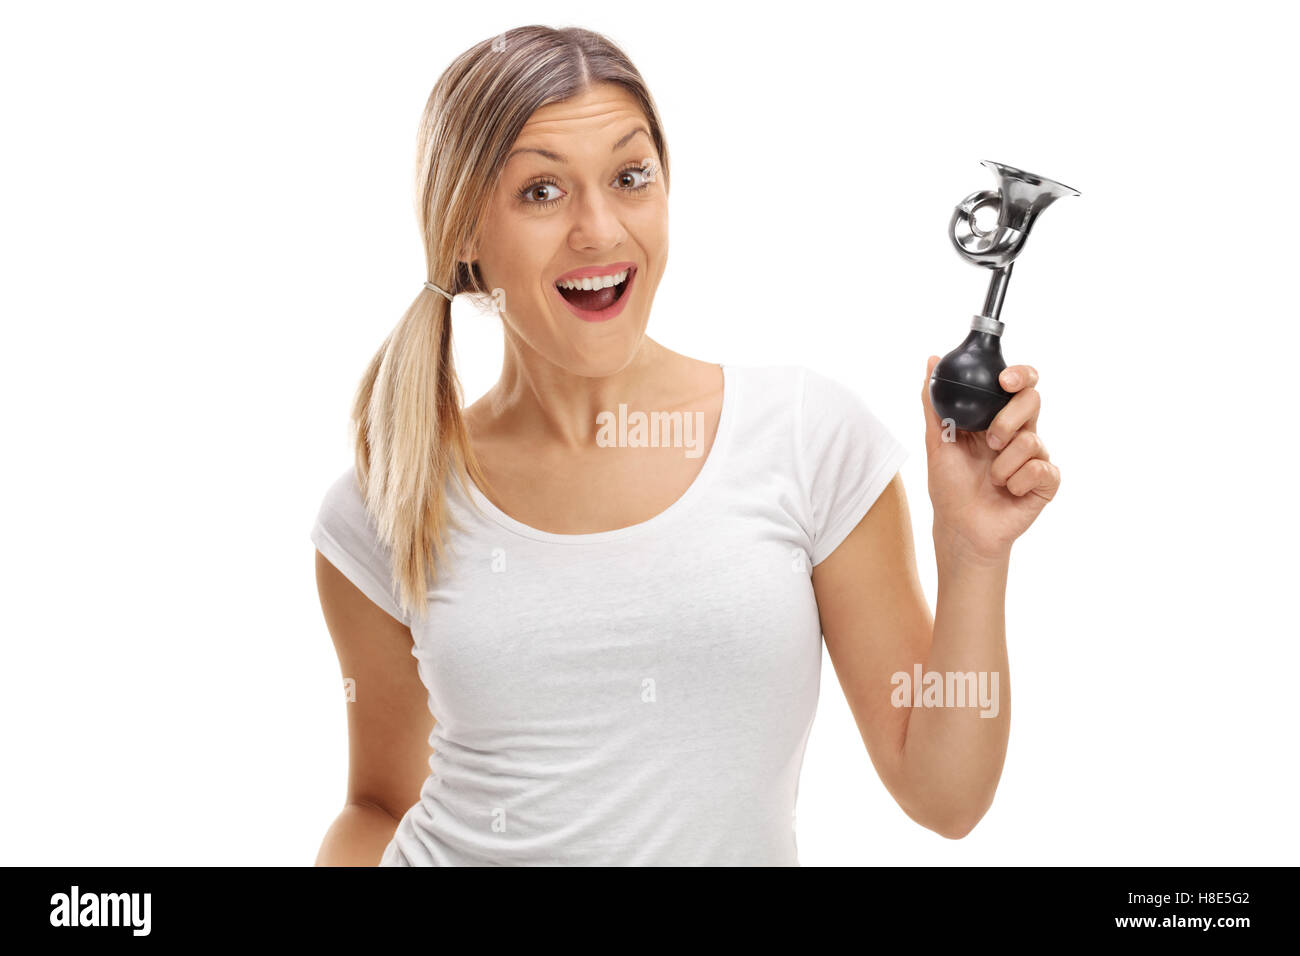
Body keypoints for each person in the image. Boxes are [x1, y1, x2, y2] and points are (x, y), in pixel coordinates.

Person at [310, 25, 1061, 866]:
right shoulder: (389, 497)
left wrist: (971, 556)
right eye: (541, 192)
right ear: (464, 231)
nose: (599, 231)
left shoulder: (809, 442)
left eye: (630, 178)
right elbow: (377, 805)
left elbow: (945, 797)